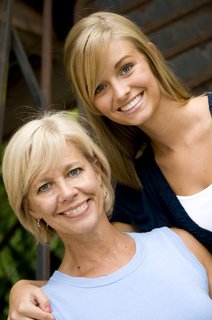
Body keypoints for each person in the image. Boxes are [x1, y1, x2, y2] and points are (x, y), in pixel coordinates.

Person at [6, 10, 212, 319]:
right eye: (99, 88)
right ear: (92, 104)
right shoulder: (138, 187)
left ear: (151, 56)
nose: (120, 92)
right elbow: (99, 270)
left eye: (126, 68)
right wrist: (22, 289)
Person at [2, 111, 212, 320]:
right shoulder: (42, 311)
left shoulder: (180, 244)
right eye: (45, 186)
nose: (67, 193)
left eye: (74, 171)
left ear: (97, 171)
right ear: (31, 209)